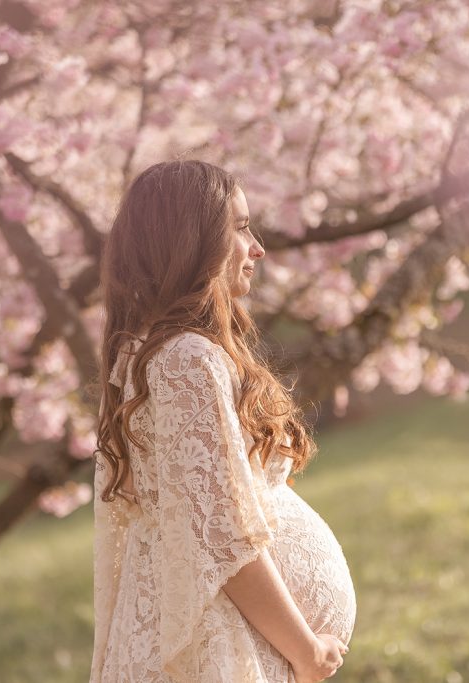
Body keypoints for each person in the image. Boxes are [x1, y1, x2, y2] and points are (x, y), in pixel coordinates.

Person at [89, 160, 356, 682]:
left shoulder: (152, 353)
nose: (257, 249)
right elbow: (221, 539)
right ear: (193, 241)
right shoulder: (184, 359)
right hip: (218, 646)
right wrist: (305, 650)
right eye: (240, 228)